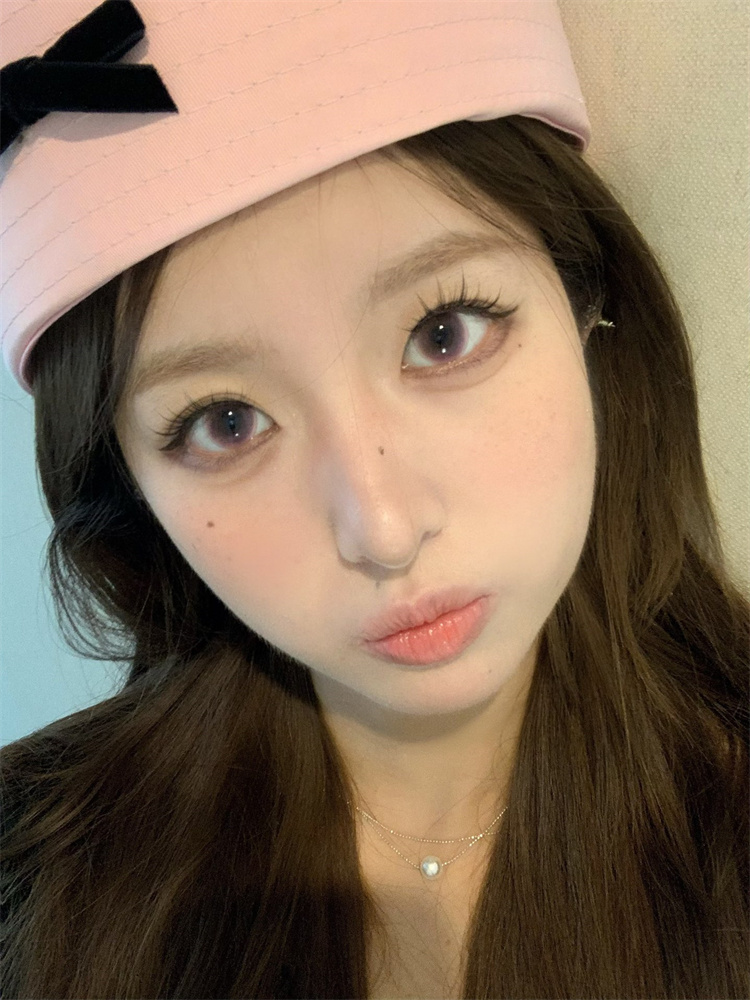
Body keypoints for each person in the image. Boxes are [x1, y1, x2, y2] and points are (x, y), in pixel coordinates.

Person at [0, 1, 747, 998]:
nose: (383, 531)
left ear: (587, 306)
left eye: (445, 333)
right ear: (129, 491)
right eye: (226, 421)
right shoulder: (31, 874)